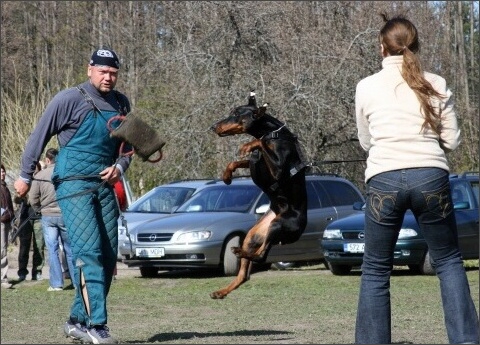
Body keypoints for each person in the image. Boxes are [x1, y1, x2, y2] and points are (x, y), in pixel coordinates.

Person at [354, 13, 479, 344]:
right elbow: (451, 141)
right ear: (415, 45)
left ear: (382, 48)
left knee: (376, 269)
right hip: (431, 179)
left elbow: (366, 142)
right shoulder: (435, 83)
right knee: (450, 262)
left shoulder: (366, 87)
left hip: (384, 181)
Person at [14, 47, 131, 344]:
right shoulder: (68, 99)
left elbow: (129, 147)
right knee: (88, 252)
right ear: (89, 69)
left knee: (106, 257)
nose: (108, 77)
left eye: (113, 73)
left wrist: (120, 166)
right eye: (103, 72)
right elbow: (38, 136)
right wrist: (25, 175)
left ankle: (76, 320)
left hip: (104, 185)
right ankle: (96, 325)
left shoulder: (121, 103)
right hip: (72, 183)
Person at [29, 148, 75, 291]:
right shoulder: (66, 173)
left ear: (47, 160)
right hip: (65, 214)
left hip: (48, 215)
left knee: (52, 249)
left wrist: (39, 209)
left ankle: (56, 284)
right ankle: (76, 281)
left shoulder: (40, 175)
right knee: (69, 249)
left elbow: (32, 198)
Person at [15, 162, 44, 281]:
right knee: (24, 246)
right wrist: (22, 195)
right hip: (25, 218)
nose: (34, 172)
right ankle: (22, 271)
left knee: (39, 246)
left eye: (36, 169)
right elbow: (16, 199)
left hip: (38, 217)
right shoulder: (24, 182)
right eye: (32, 169)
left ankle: (37, 271)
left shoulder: (42, 181)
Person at [1, 163, 15, 289]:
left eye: (3, 171)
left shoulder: (4, 187)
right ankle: (3, 279)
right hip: (1, 221)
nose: (3, 173)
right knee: (2, 250)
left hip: (6, 221)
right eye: (0, 172)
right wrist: (3, 214)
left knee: (3, 249)